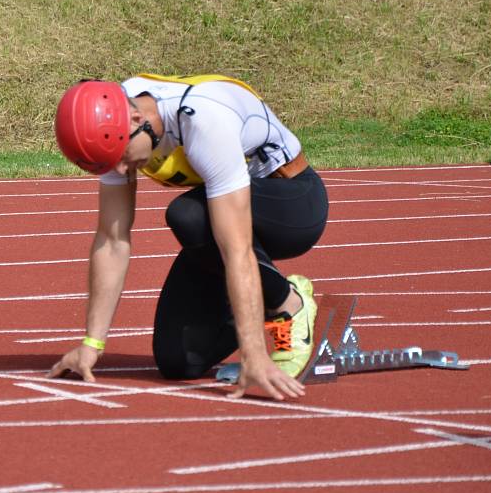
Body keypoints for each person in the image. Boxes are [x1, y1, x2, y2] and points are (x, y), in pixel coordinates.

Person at [48, 74, 329, 400]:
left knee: (188, 216)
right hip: (221, 211)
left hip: (294, 203)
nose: (122, 172)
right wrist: (91, 344)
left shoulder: (204, 120)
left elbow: (237, 248)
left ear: (138, 119)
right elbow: (112, 241)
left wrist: (254, 354)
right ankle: (260, 305)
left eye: (122, 158)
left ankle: (289, 304)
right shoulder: (114, 128)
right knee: (177, 361)